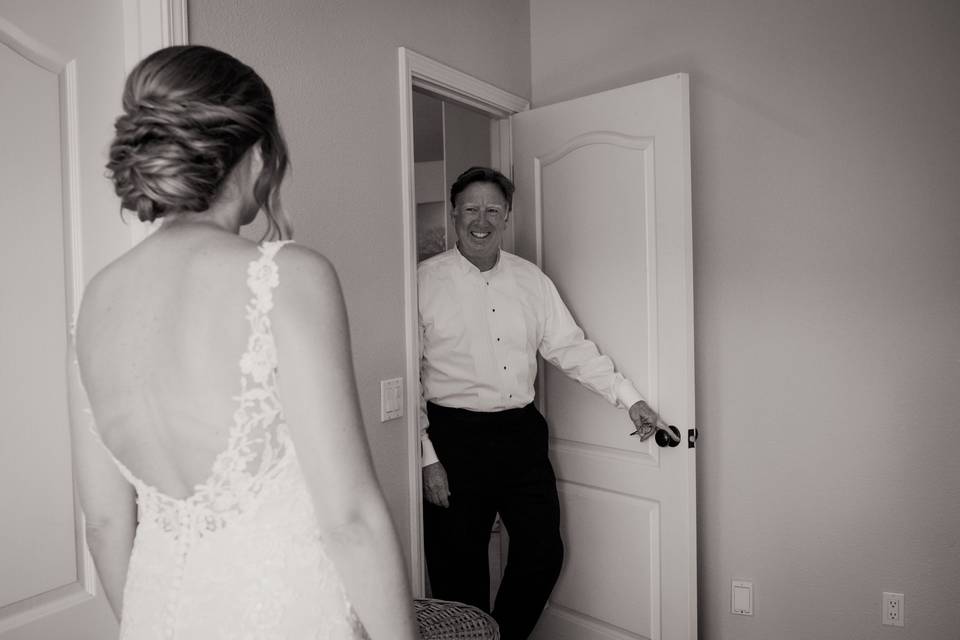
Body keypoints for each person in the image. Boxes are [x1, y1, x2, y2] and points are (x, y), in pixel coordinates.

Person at [69, 45, 418, 640]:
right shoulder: (285, 276)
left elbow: (104, 521)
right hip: (286, 617)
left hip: (158, 617)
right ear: (257, 154)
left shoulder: (95, 302)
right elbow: (350, 520)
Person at [418, 166, 671, 639]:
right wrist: (427, 457)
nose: (481, 219)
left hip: (520, 435)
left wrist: (628, 398)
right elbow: (407, 376)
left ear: (507, 216)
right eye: (471, 208)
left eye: (493, 209)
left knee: (542, 552)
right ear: (454, 213)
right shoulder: (422, 282)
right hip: (452, 439)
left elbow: (570, 348)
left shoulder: (530, 280)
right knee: (458, 568)